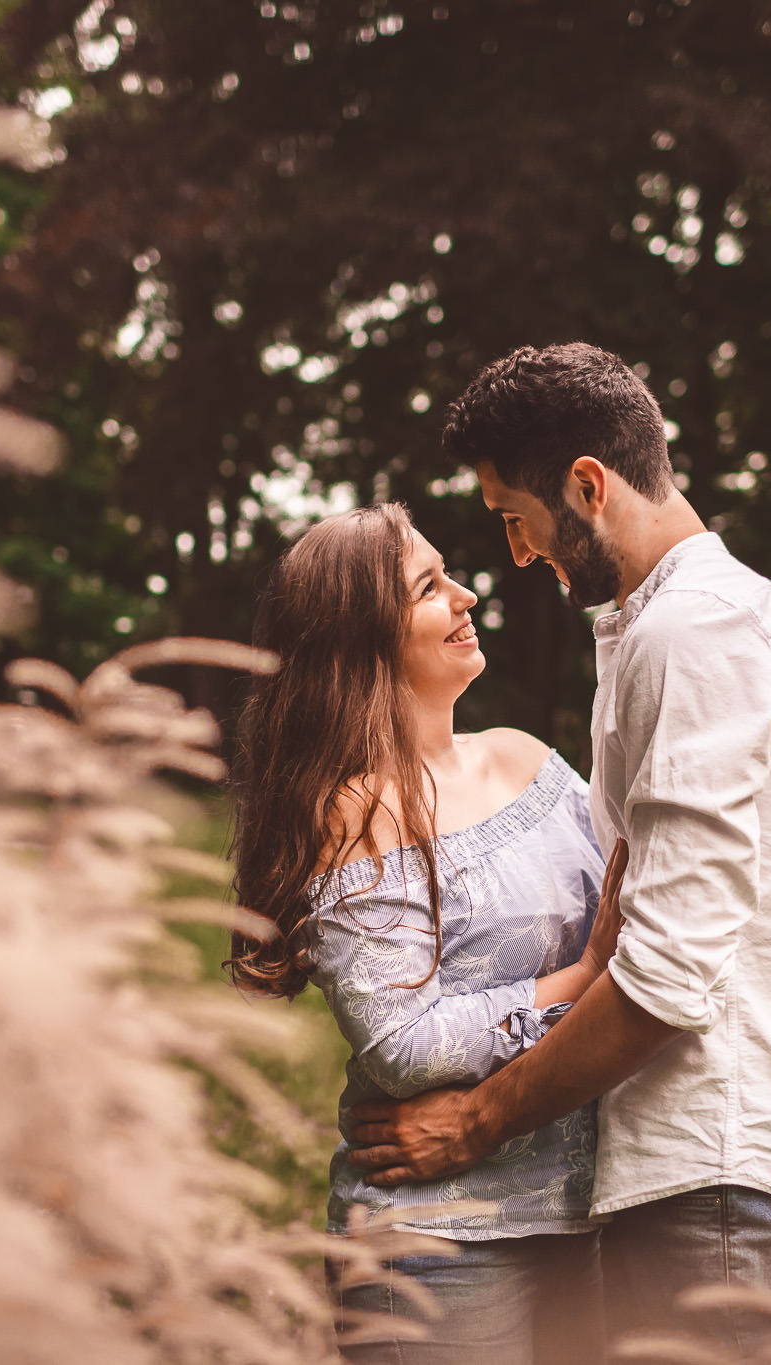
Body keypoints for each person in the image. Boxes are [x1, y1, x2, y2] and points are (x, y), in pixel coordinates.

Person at [342, 343, 771, 1356]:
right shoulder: (664, 630)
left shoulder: (694, 632)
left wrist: (474, 1121)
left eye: (513, 517)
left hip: (724, 1188)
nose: (513, 554)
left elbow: (669, 975)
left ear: (586, 486)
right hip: (701, 1190)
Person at [228, 501, 624, 1365]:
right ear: (362, 638)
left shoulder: (528, 759)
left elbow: (645, 926)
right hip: (437, 1244)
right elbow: (405, 1042)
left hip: (591, 1208)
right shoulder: (352, 811)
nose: (468, 595)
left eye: (451, 574)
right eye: (429, 586)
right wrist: (584, 972)